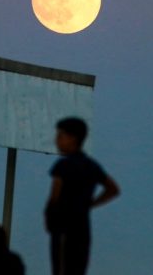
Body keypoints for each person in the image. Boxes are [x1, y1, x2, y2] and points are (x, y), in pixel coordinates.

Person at [45, 117, 120, 275]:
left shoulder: (63, 166)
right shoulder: (91, 166)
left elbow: (54, 197)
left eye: (60, 136)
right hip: (82, 230)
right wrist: (91, 203)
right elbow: (113, 189)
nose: (56, 140)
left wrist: (49, 217)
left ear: (72, 138)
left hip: (63, 229)